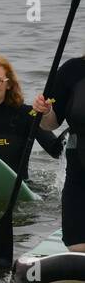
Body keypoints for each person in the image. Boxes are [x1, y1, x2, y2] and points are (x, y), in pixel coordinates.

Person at [33, 50, 85, 252]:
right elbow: (50, 124)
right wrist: (44, 112)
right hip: (79, 173)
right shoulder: (71, 70)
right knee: (78, 246)